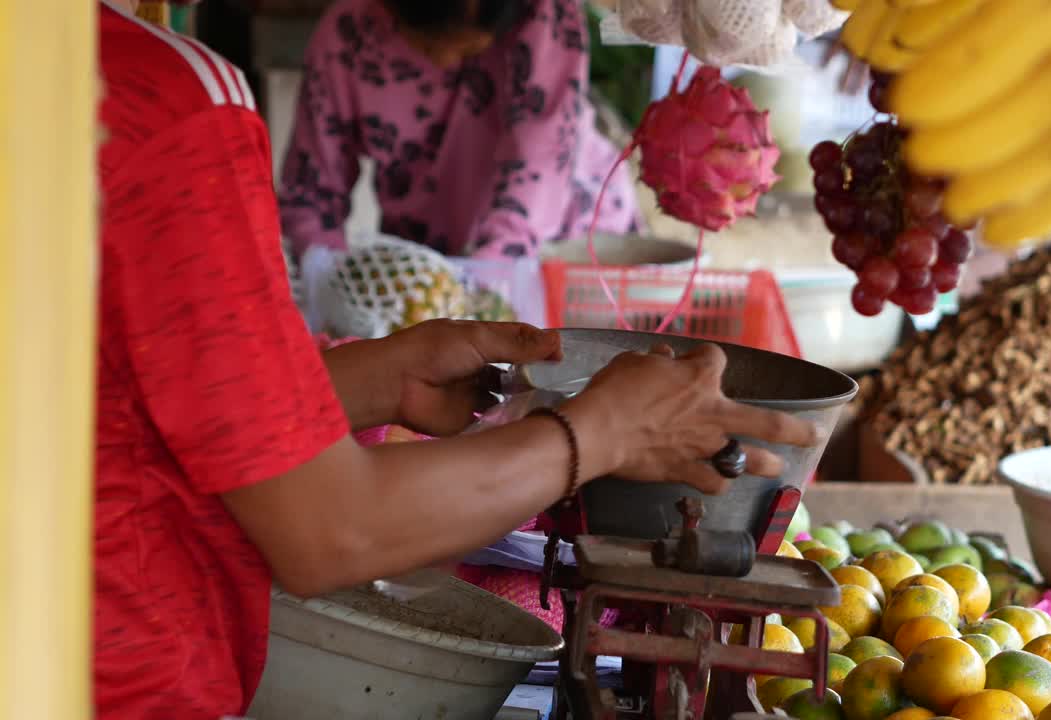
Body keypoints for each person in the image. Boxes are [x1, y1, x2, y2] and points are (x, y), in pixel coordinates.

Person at [95, 2, 815, 717]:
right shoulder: (172, 101)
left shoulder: (61, 69)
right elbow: (330, 529)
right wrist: (598, 436)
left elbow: (113, 401)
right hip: (123, 671)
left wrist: (373, 378)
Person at [278, 0, 642, 265]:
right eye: (426, 43)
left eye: (469, 46)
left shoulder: (546, 13)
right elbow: (311, 194)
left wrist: (486, 278)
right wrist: (327, 274)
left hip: (567, 248)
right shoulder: (347, 34)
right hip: (431, 257)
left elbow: (539, 162)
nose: (446, 60)